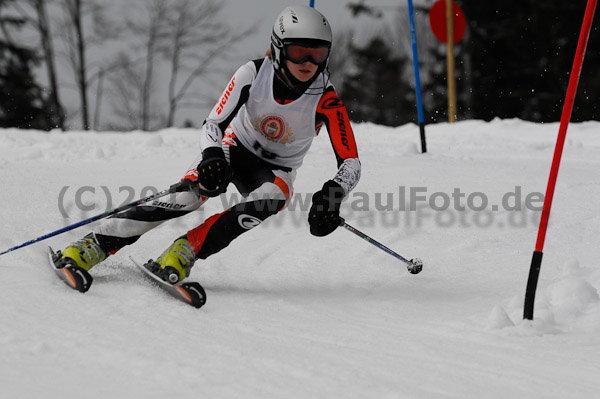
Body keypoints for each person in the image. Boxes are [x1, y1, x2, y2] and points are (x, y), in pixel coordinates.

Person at [53, 5, 361, 290]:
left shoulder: (326, 99)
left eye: (317, 54)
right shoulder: (253, 74)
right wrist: (212, 155)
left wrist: (333, 195)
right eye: (299, 52)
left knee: (273, 198)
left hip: (275, 169)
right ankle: (94, 244)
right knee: (189, 194)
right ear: (280, 48)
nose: (308, 63)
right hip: (233, 148)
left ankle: (182, 253)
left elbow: (351, 163)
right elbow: (213, 124)